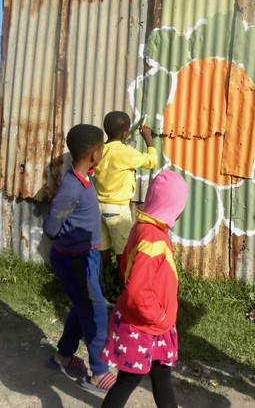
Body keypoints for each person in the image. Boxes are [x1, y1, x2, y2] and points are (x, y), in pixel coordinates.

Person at [101, 169, 189, 408]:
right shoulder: (153, 240)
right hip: (144, 325)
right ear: (173, 207)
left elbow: (125, 269)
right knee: (128, 381)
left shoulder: (144, 228)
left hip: (151, 324)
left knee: (161, 377)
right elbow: (137, 291)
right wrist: (159, 316)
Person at [43, 124, 117, 393]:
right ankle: (98, 372)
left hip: (87, 255)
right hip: (76, 260)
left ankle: (63, 356)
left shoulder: (84, 177)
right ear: (95, 155)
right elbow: (52, 227)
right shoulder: (71, 188)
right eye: (102, 149)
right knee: (94, 312)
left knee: (81, 305)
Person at [93, 111, 157, 297]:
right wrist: (148, 140)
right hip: (117, 210)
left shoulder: (100, 150)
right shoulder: (126, 153)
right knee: (124, 257)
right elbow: (151, 161)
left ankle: (97, 292)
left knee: (102, 253)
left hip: (99, 207)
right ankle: (124, 297)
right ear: (125, 134)